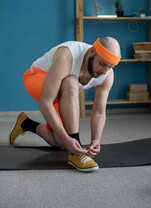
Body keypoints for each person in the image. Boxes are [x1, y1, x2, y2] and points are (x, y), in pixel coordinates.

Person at [10, 37, 121, 172]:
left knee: (62, 144)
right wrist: (69, 139)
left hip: (62, 90)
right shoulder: (68, 55)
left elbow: (99, 111)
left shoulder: (107, 74)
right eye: (102, 64)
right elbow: (45, 104)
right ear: (92, 51)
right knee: (71, 82)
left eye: (110, 67)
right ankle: (77, 154)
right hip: (37, 77)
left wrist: (96, 140)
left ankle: (26, 123)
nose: (104, 71)